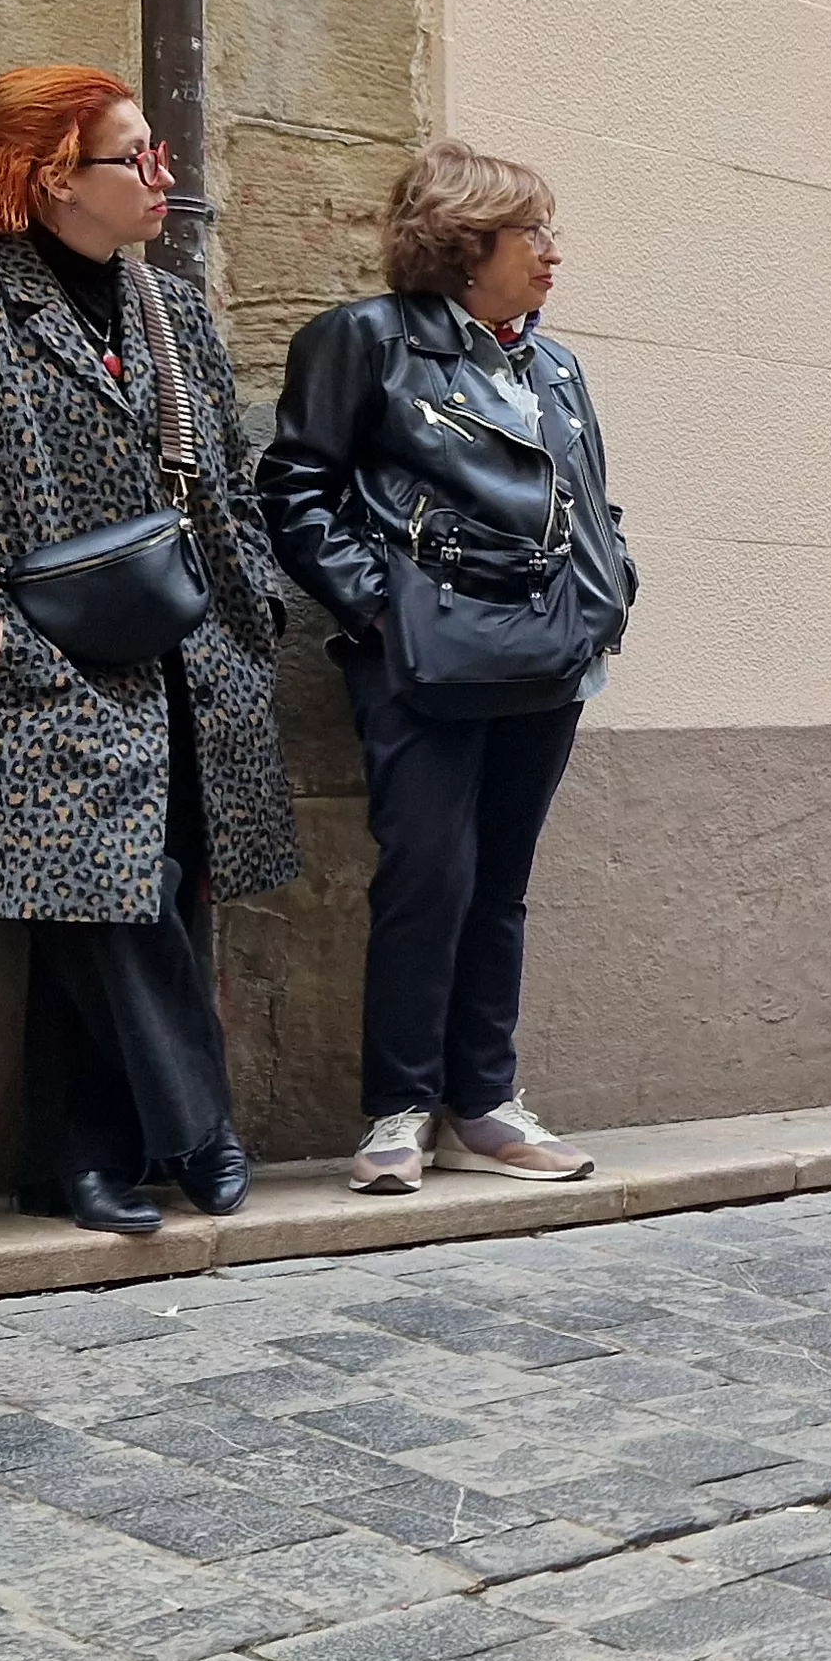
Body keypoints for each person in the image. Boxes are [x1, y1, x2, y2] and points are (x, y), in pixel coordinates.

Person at [0, 66, 301, 1235]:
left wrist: (249, 601)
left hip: (182, 656)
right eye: (135, 156)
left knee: (132, 886)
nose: (162, 174)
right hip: (26, 660)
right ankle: (196, 1123)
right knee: (100, 886)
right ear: (53, 177)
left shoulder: (167, 304)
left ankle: (74, 1165)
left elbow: (228, 473)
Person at [262, 142, 635, 1195]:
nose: (552, 252)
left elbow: (590, 500)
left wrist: (610, 593)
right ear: (466, 245)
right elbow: (294, 487)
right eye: (531, 232)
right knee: (427, 876)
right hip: (423, 662)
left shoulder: (554, 366)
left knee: (500, 885)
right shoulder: (364, 340)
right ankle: (399, 1108)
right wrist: (382, 610)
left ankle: (485, 1104)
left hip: (550, 655)